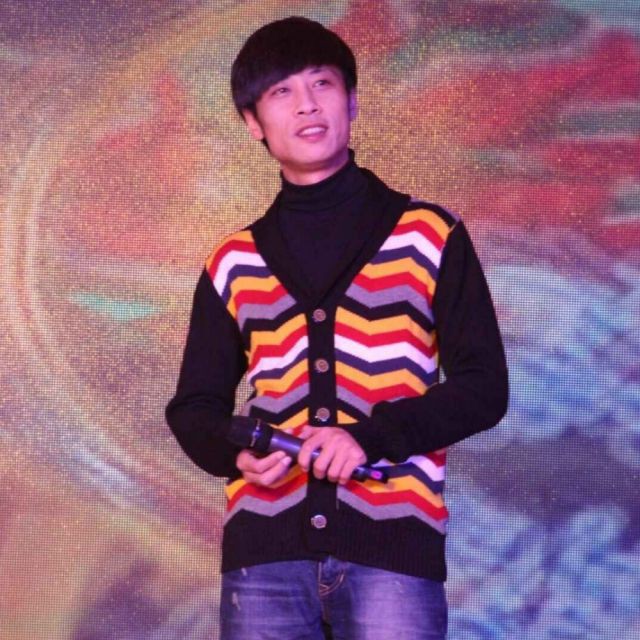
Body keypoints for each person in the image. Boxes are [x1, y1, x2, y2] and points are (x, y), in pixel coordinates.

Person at [166, 16, 508, 640]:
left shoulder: (430, 235)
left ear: (351, 101)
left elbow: (484, 387)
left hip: (393, 548)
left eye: (321, 83)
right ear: (252, 122)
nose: (307, 104)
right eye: (281, 92)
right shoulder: (232, 261)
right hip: (264, 554)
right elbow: (193, 408)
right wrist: (235, 454)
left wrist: (369, 439)